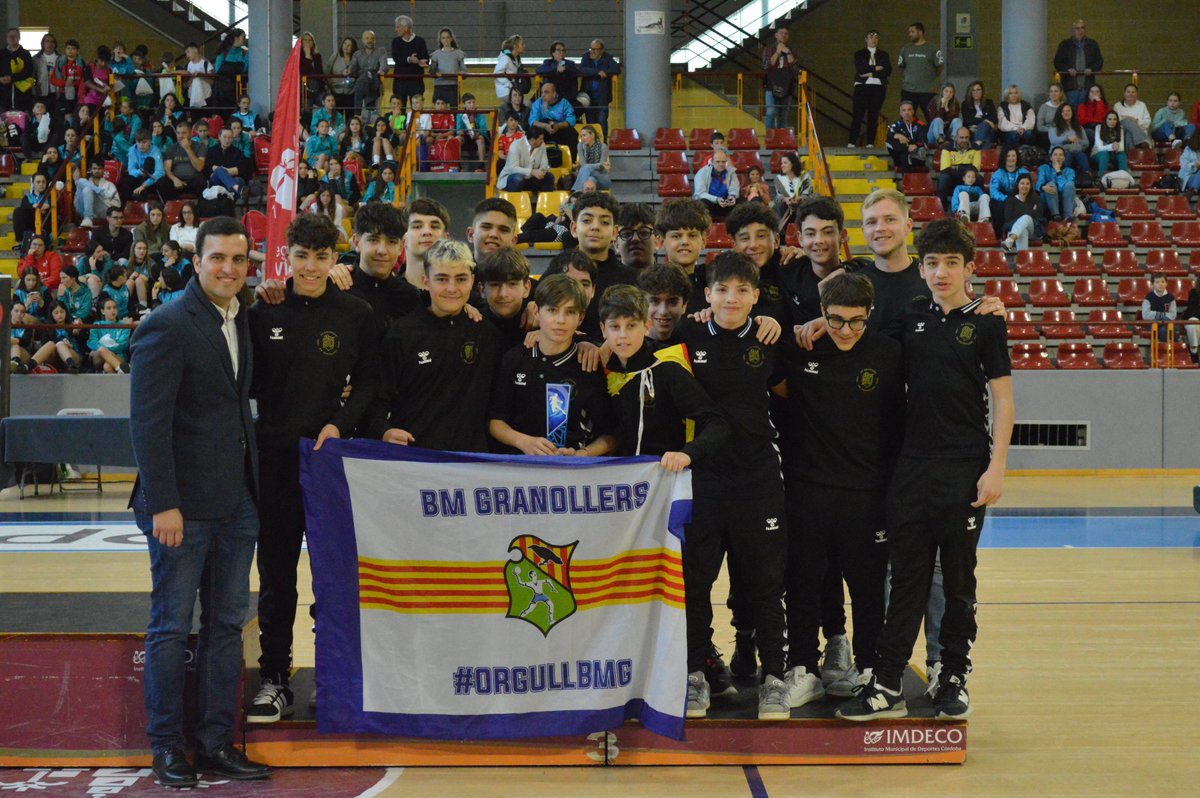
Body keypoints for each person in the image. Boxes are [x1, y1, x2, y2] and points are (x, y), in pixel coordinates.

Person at [837, 218, 1013, 723]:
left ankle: (953, 676)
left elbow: (1003, 398)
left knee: (958, 580)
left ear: (969, 269)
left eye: (950, 264)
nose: (939, 273)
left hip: (964, 469)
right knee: (907, 577)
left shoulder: (987, 323)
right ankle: (888, 680)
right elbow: (856, 334)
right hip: (910, 468)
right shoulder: (911, 319)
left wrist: (997, 466)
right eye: (932, 263)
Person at [129, 216, 271, 786]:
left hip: (238, 499)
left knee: (225, 625)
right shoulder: (166, 324)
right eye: (219, 258)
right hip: (180, 507)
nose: (229, 269)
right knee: (170, 625)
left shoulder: (242, 318)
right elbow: (147, 423)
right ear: (197, 260)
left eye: (239, 260)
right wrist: (164, 502)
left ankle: (215, 742)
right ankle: (166, 746)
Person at [246, 214, 379, 724]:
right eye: (301, 255)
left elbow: (369, 382)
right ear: (288, 255)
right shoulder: (263, 312)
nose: (310, 266)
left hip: (329, 461)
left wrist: (340, 424)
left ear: (335, 259)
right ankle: (275, 678)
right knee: (277, 574)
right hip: (275, 459)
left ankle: (331, 675)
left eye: (321, 257)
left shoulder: (355, 313)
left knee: (334, 574)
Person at [777, 271, 903, 709]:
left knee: (868, 586)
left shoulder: (889, 354)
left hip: (867, 494)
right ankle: (804, 669)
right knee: (803, 583)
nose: (846, 330)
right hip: (807, 491)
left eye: (856, 321)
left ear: (870, 315)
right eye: (835, 320)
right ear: (821, 314)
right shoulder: (799, 349)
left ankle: (869, 667)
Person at [674, 251, 789, 721]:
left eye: (742, 290)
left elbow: (788, 393)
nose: (731, 298)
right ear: (707, 294)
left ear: (756, 296)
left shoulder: (769, 336)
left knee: (765, 585)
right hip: (702, 477)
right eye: (722, 289)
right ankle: (695, 675)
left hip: (758, 476)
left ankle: (776, 679)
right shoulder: (687, 333)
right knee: (695, 583)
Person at [369, 239, 499, 452]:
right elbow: (377, 397)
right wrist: (382, 430)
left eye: (460, 279)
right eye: (441, 279)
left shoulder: (486, 334)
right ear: (425, 282)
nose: (451, 288)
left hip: (472, 464)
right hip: (415, 460)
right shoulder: (401, 334)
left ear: (472, 281)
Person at [489, 274, 616, 456]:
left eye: (570, 312)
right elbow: (496, 422)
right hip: (519, 468)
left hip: (572, 473)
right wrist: (523, 441)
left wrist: (584, 454)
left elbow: (611, 434)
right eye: (553, 310)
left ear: (580, 318)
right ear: (536, 313)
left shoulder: (588, 365)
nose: (560, 320)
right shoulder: (515, 359)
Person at [572, 192, 639, 332]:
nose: (595, 227)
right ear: (573, 228)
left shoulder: (633, 280)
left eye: (604, 222)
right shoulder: (556, 273)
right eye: (586, 220)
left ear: (615, 232)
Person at [475, 246, 533, 352]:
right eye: (495, 285)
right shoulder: (472, 326)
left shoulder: (540, 325)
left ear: (526, 288)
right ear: (482, 290)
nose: (503, 294)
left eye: (512, 284)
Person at [849, 31, 892, 148]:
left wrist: (870, 73)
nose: (874, 40)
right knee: (858, 114)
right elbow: (861, 70)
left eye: (876, 37)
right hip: (862, 86)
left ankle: (870, 143)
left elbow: (887, 71)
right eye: (871, 37)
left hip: (878, 87)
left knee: (873, 115)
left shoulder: (883, 55)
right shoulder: (859, 54)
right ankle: (852, 142)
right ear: (866, 39)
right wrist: (876, 68)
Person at [896, 21, 943, 123]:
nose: (910, 34)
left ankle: (932, 139)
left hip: (927, 91)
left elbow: (940, 67)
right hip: (908, 91)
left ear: (920, 32)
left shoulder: (932, 49)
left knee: (932, 119)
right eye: (909, 32)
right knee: (906, 118)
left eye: (912, 32)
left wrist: (932, 81)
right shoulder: (905, 49)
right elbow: (901, 68)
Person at [1052, 19, 1103, 106]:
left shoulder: (1092, 44)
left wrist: (1092, 69)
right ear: (1073, 30)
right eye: (1077, 28)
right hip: (1070, 89)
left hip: (1087, 89)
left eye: (1082, 28)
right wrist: (1067, 70)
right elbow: (1057, 62)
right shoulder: (1065, 44)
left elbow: (1099, 61)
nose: (1080, 30)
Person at [636, 264, 691, 343]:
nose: (663, 311)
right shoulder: (629, 345)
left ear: (684, 306)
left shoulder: (694, 343)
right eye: (655, 301)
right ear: (641, 304)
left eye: (672, 302)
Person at [27, 299, 83, 373]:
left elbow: (82, 345)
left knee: (60, 344)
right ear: (51, 314)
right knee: (51, 344)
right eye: (56, 313)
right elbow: (45, 345)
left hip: (73, 355)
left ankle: (72, 366)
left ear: (66, 312)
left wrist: (78, 333)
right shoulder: (47, 327)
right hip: (55, 357)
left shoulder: (73, 324)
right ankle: (29, 366)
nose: (59, 315)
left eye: (62, 312)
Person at [578, 39, 621, 135]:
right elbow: (581, 69)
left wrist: (604, 72)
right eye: (591, 49)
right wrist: (597, 73)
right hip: (588, 96)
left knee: (602, 121)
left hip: (602, 96)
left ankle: (603, 143)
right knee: (590, 122)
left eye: (595, 49)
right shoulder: (586, 57)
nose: (592, 51)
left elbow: (616, 69)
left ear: (601, 51)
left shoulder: (608, 58)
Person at [497, 126, 553, 198]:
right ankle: (514, 202)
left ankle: (544, 204)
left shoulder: (542, 145)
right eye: (540, 139)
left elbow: (544, 163)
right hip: (512, 178)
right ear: (533, 140)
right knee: (518, 178)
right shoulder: (516, 145)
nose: (542, 141)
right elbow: (513, 168)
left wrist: (541, 171)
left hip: (530, 179)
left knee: (549, 177)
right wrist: (532, 172)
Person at [988, 147, 1030, 237]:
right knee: (996, 204)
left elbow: (1029, 189)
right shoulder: (998, 173)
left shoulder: (1024, 172)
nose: (1011, 158)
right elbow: (993, 192)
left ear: (1017, 157)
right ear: (1004, 158)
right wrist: (1006, 199)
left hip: (1020, 199)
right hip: (1003, 200)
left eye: (1013, 156)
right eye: (1008, 156)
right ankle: (999, 235)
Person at [390, 15, 429, 113]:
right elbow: (396, 58)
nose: (396, 29)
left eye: (398, 27)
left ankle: (417, 127)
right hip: (400, 82)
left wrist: (422, 62)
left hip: (416, 82)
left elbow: (426, 58)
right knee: (399, 108)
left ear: (406, 28)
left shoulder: (420, 41)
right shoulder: (396, 42)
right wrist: (409, 60)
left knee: (417, 108)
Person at [936, 126, 981, 208]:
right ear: (956, 137)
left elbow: (975, 168)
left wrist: (956, 168)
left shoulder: (975, 148)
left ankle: (977, 206)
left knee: (979, 178)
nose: (964, 140)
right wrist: (967, 167)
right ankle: (942, 208)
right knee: (943, 178)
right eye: (961, 137)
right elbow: (945, 169)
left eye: (967, 137)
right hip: (952, 180)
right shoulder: (947, 147)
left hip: (968, 179)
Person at [762, 26, 797, 131]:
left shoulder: (792, 49)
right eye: (781, 33)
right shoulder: (768, 49)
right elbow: (767, 66)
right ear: (776, 35)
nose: (783, 35)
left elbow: (794, 68)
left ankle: (782, 139)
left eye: (786, 33)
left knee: (784, 113)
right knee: (771, 111)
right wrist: (778, 52)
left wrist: (788, 52)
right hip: (771, 85)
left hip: (787, 85)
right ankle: (770, 136)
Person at [529, 81, 578, 155]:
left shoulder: (564, 103)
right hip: (543, 129)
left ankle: (572, 161)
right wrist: (545, 126)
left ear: (554, 94)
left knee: (572, 132)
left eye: (546, 92)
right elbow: (532, 121)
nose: (543, 95)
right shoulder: (538, 103)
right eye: (542, 92)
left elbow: (572, 120)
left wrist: (558, 126)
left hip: (559, 128)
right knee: (532, 131)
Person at [1001, 174, 1046, 253]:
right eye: (1022, 183)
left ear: (1030, 186)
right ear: (1017, 185)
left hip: (1033, 231)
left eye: (1027, 184)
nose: (1025, 186)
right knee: (1023, 230)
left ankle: (1010, 240)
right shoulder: (1010, 200)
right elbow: (1008, 219)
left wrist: (1022, 214)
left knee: (1026, 217)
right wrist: (1031, 211)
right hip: (1013, 229)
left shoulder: (1036, 200)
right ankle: (1023, 261)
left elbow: (1038, 216)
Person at [349, 30, 388, 122]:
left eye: (372, 38)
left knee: (368, 73)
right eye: (367, 38)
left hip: (374, 82)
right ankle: (368, 103)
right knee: (365, 75)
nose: (370, 40)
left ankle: (357, 112)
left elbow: (384, 64)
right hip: (363, 84)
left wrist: (382, 70)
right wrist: (348, 70)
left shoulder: (380, 51)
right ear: (362, 40)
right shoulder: (357, 54)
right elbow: (353, 66)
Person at [121, 129, 165, 203]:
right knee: (128, 180)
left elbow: (160, 172)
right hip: (139, 177)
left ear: (150, 141)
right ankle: (124, 206)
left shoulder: (155, 150)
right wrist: (140, 171)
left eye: (144, 142)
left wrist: (144, 185)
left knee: (149, 161)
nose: (141, 145)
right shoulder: (132, 150)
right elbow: (131, 170)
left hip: (151, 180)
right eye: (138, 142)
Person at [693, 148, 740, 218]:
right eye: (718, 162)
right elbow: (700, 193)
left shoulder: (731, 172)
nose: (721, 164)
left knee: (740, 202)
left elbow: (734, 188)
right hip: (710, 202)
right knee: (702, 203)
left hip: (726, 202)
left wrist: (732, 196)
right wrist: (716, 199)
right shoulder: (702, 172)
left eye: (723, 162)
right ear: (712, 161)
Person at [536, 41, 580, 113]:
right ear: (553, 53)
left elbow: (576, 71)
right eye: (559, 50)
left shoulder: (569, 63)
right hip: (550, 96)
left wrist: (565, 68)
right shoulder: (548, 62)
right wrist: (556, 69)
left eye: (563, 50)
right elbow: (539, 70)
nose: (561, 52)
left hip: (566, 95)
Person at [1037, 146, 1078, 223]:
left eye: (1060, 155)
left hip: (1065, 202)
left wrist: (1058, 171)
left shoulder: (1070, 171)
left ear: (1064, 158)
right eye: (1055, 155)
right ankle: (1055, 215)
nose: (1058, 157)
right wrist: (1044, 187)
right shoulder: (1043, 168)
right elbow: (1038, 184)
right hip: (1047, 200)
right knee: (1051, 184)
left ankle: (1068, 216)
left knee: (1069, 185)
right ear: (1051, 158)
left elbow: (1066, 188)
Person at [773, 152, 814, 228]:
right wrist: (786, 199)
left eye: (785, 163)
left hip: (801, 205)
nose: (782, 166)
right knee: (780, 205)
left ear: (793, 164)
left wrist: (799, 199)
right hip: (785, 208)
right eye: (781, 163)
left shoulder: (804, 176)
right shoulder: (778, 179)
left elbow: (808, 193)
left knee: (804, 206)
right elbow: (778, 196)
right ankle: (784, 235)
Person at [427, 27, 465, 108]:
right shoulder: (436, 54)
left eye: (448, 37)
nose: (446, 40)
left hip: (453, 86)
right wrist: (435, 73)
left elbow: (464, 70)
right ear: (440, 40)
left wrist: (462, 73)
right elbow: (431, 71)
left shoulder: (458, 53)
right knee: (439, 111)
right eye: (443, 38)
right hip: (439, 86)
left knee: (454, 111)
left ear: (451, 39)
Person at [1049, 103, 1091, 175]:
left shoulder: (1079, 127)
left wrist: (1078, 140)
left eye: (1068, 111)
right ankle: (1063, 177)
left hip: (1076, 151)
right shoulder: (1054, 126)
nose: (1066, 113)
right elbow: (1053, 141)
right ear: (1060, 113)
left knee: (1082, 156)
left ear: (1072, 113)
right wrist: (1067, 138)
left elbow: (1086, 143)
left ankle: (1087, 178)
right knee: (1067, 156)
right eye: (1063, 111)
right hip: (1062, 152)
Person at [886, 100, 928, 172]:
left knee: (903, 155)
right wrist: (897, 135)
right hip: (903, 155)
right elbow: (889, 135)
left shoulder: (920, 124)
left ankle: (904, 173)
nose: (906, 112)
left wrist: (915, 145)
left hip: (916, 156)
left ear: (913, 111)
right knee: (890, 141)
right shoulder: (897, 125)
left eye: (909, 110)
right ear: (900, 113)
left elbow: (924, 140)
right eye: (904, 110)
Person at [0, 28, 36, 113]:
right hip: (4, 95)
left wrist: (11, 78)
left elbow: (28, 71)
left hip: (22, 96)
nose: (12, 38)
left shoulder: (25, 54)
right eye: (10, 36)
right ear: (7, 38)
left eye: (15, 36)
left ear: (19, 38)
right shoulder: (1, 53)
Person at [212, 28, 247, 109]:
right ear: (236, 38)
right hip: (223, 89)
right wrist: (237, 68)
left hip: (235, 88)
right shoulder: (224, 51)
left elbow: (219, 68)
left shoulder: (244, 53)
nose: (245, 40)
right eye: (243, 37)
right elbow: (218, 69)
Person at [11, 172, 51, 243]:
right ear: (33, 183)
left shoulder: (50, 196)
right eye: (38, 182)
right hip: (30, 223)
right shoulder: (27, 197)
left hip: (45, 224)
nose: (41, 184)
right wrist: (38, 208)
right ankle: (20, 241)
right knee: (18, 211)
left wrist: (34, 207)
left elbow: (49, 207)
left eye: (43, 182)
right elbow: (24, 208)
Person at [615, 203, 656, 270]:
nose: (635, 239)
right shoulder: (601, 279)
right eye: (627, 234)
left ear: (657, 242)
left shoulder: (670, 279)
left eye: (643, 232)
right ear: (616, 243)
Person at [573, 124, 611, 191]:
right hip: (587, 179)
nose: (582, 138)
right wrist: (598, 165)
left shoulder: (603, 147)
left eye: (584, 135)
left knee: (587, 168)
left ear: (592, 135)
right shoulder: (580, 146)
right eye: (581, 136)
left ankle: (576, 193)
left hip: (602, 178)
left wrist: (593, 167)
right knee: (590, 179)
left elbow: (602, 168)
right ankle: (582, 195)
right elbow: (583, 165)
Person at [1114, 83, 1152, 149]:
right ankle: (1144, 141)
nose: (1130, 94)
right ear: (1124, 93)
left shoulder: (1142, 105)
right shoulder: (1117, 106)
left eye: (1133, 92)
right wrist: (1129, 120)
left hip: (1136, 132)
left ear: (1136, 94)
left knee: (1129, 134)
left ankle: (1132, 157)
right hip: (1122, 132)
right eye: (1128, 92)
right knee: (1127, 122)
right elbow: (1115, 122)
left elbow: (1147, 122)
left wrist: (1136, 121)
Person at [959, 80, 997, 147]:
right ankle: (983, 156)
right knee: (985, 136)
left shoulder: (989, 103)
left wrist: (981, 123)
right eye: (973, 90)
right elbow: (968, 120)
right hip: (971, 132)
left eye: (978, 90)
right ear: (970, 92)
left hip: (988, 130)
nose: (975, 92)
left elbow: (994, 119)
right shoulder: (965, 104)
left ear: (982, 91)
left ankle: (976, 149)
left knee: (984, 127)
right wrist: (985, 120)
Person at [997, 85, 1036, 149]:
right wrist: (1015, 129)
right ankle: (1012, 154)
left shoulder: (1026, 105)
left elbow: (1031, 119)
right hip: (1009, 130)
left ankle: (1027, 154)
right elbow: (1002, 124)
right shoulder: (1002, 106)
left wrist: (1023, 128)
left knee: (1029, 135)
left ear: (1019, 95)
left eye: (1016, 93)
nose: (1013, 95)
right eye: (1010, 93)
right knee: (1014, 135)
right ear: (1007, 95)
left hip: (1024, 129)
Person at [1092, 110, 1129, 176]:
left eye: (1114, 119)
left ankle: (1124, 179)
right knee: (1104, 154)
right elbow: (1099, 148)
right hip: (1098, 155)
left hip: (1113, 155)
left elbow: (1121, 148)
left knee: (1122, 154)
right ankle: (1102, 180)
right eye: (1109, 119)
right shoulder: (1098, 128)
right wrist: (1112, 146)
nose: (1112, 122)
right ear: (1105, 120)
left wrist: (1113, 147)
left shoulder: (1120, 129)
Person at [329, 36, 358, 114]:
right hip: (336, 90)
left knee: (350, 115)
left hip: (351, 91)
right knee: (337, 115)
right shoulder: (335, 56)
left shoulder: (355, 59)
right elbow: (327, 71)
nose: (346, 46)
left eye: (349, 45)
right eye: (345, 44)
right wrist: (330, 84)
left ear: (353, 47)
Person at [493, 35, 526, 104]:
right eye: (522, 44)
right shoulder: (505, 58)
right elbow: (497, 73)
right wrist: (510, 85)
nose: (524, 46)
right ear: (515, 46)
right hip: (505, 91)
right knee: (526, 104)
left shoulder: (516, 59)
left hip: (511, 90)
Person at [298, 32, 325, 108]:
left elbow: (319, 72)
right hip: (304, 87)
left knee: (326, 103)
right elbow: (304, 71)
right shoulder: (298, 56)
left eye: (310, 40)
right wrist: (307, 56)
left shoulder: (317, 56)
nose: (307, 42)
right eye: (305, 40)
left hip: (317, 88)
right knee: (307, 108)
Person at [1035, 82, 1065, 148]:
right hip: (1047, 133)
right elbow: (1040, 127)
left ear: (1061, 94)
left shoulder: (1064, 106)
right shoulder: (1044, 107)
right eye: (1051, 91)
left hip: (1063, 132)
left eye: (1056, 91)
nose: (1053, 94)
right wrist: (1053, 131)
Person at [1180, 131, 1200, 200]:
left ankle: (1193, 190)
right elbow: (1184, 166)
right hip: (1187, 177)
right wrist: (1194, 164)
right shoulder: (1188, 150)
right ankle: (1194, 189)